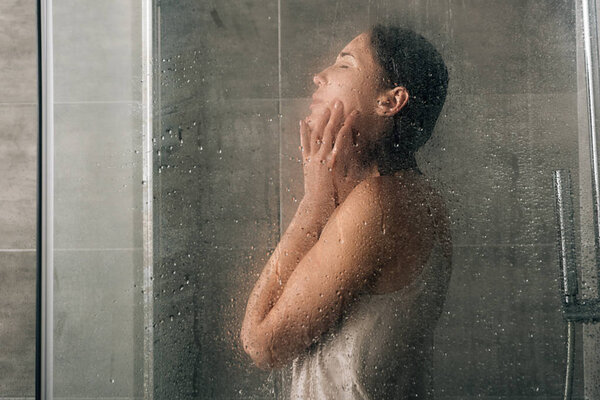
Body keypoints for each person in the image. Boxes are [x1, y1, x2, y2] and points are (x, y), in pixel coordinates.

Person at [241, 24, 452, 399]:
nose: (319, 76)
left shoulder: (379, 205)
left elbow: (262, 346)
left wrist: (314, 204)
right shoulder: (412, 195)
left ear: (390, 101)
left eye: (344, 64)